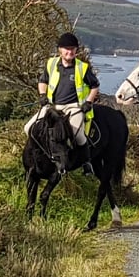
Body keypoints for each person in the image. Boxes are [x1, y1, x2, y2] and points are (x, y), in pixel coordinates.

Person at [24, 32, 100, 175]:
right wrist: (42, 95)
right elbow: (42, 81)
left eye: (72, 49)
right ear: (60, 50)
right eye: (66, 49)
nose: (70, 51)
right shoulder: (51, 64)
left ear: (76, 50)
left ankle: (86, 162)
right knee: (28, 127)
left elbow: (94, 86)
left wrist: (89, 102)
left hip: (74, 107)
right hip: (53, 106)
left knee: (78, 135)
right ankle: (37, 155)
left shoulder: (82, 67)